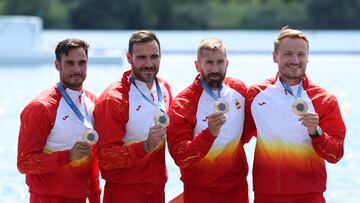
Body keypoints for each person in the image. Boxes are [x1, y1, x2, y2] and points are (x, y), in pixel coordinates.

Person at [242, 26, 346, 203]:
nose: (295, 60)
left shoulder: (324, 100)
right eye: (288, 54)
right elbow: (238, 139)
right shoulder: (256, 94)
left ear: (307, 57)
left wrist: (316, 132)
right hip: (266, 195)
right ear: (275, 56)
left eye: (301, 54)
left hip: (308, 196)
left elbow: (336, 155)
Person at [17, 38, 101, 203]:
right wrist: (68, 155)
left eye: (81, 62)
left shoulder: (94, 103)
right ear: (57, 65)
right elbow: (24, 163)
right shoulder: (40, 108)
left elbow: (93, 162)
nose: (77, 69)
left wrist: (95, 198)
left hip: (81, 198)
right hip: (46, 199)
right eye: (69, 63)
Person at [167, 38, 249, 203]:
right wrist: (209, 134)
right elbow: (180, 156)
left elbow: (247, 131)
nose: (215, 69)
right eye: (209, 63)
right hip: (201, 193)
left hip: (237, 189)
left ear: (227, 63)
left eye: (220, 62)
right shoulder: (184, 103)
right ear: (197, 65)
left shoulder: (239, 89)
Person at [94, 30, 172, 203]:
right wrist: (145, 146)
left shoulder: (164, 88)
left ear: (161, 56)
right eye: (141, 57)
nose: (149, 64)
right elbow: (106, 158)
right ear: (129, 58)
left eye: (154, 56)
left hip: (157, 189)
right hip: (124, 192)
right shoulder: (113, 99)